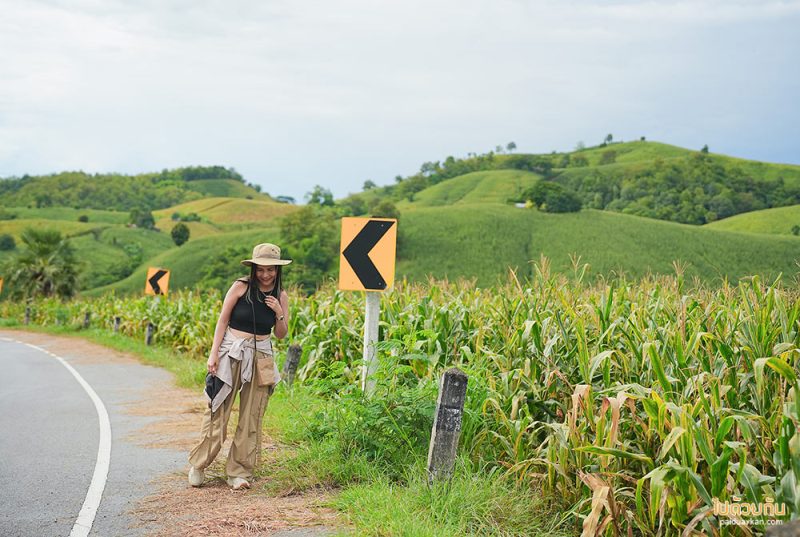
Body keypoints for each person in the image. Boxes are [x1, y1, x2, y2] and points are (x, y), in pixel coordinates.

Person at [187, 243, 291, 490]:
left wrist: (278, 311)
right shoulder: (240, 287)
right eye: (261, 269)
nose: (266, 275)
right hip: (232, 352)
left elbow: (282, 334)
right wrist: (213, 355)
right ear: (253, 268)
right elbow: (222, 320)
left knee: (252, 416)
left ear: (278, 270)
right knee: (218, 410)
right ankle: (199, 464)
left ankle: (238, 472)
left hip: (262, 356)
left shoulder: (282, 296)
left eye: (271, 270)